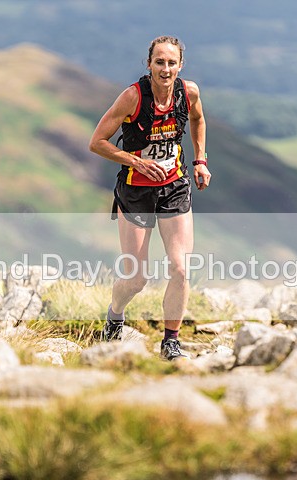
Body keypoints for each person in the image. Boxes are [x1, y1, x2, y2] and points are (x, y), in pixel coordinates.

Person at [88, 35, 211, 361]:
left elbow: (198, 119)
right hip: (136, 192)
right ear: (149, 65)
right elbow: (97, 142)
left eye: (172, 62)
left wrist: (200, 160)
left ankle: (171, 340)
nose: (166, 69)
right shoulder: (132, 97)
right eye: (160, 62)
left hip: (174, 187)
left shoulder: (189, 92)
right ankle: (115, 315)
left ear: (180, 65)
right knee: (136, 278)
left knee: (181, 269)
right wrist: (136, 161)